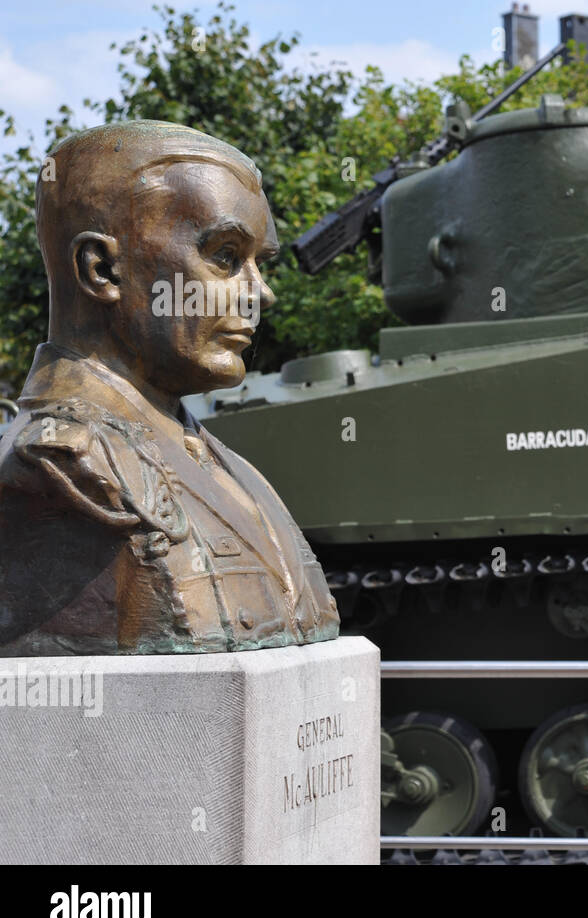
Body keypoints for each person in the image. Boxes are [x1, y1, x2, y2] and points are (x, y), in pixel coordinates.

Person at [0, 120, 339, 654]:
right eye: (225, 256)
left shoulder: (227, 464)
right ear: (103, 270)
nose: (262, 293)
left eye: (259, 263)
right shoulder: (60, 463)